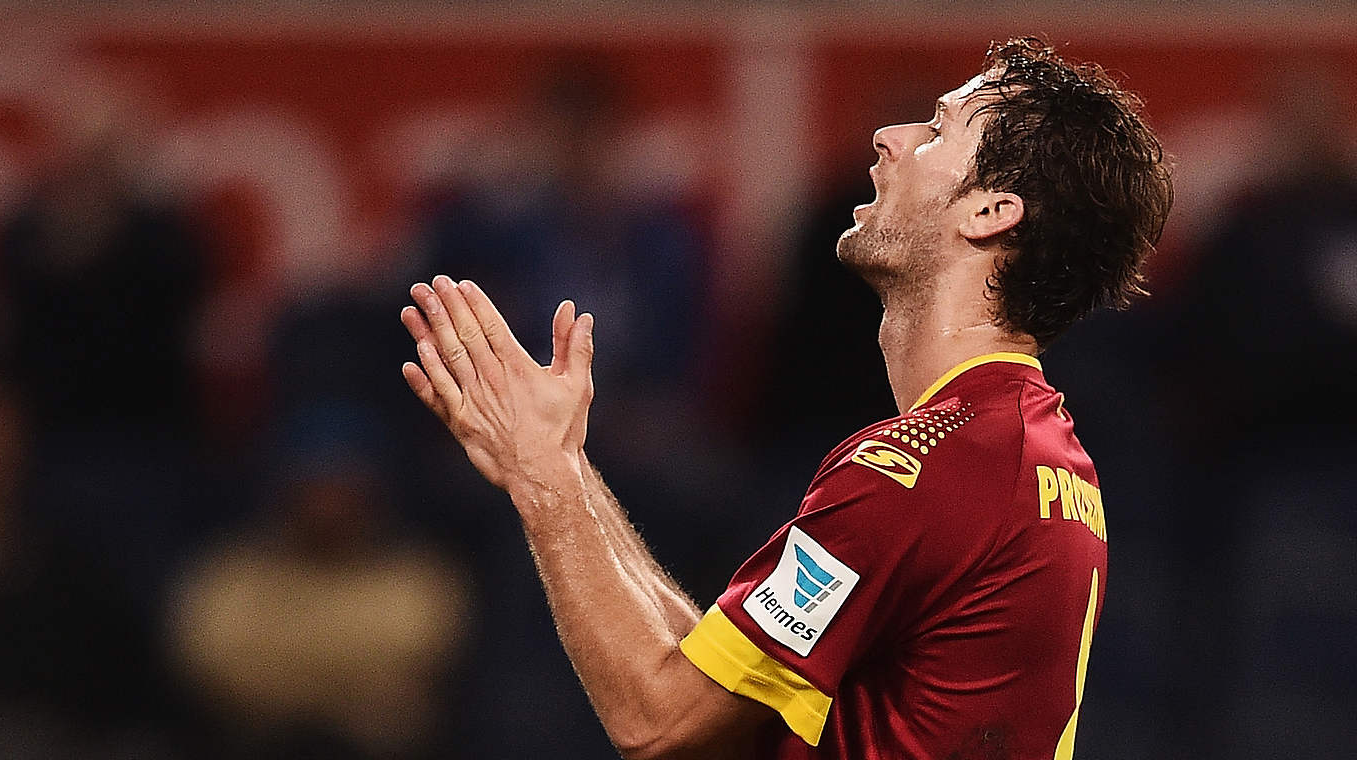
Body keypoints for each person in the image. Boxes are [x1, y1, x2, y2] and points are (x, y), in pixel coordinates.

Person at [398, 37, 1171, 760]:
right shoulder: (1034, 449)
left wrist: (541, 478)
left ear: (990, 211)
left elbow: (661, 722)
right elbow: (717, 704)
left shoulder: (918, 471)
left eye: (937, 130)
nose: (888, 138)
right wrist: (565, 464)